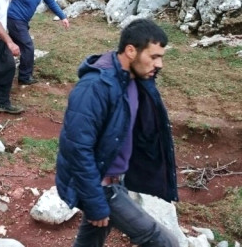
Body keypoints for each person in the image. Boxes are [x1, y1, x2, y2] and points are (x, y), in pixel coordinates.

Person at [55, 19, 179, 247]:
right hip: (101, 185)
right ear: (131, 51)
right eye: (153, 57)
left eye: (161, 57)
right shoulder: (95, 87)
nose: (159, 64)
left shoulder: (133, 79)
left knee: (91, 240)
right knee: (164, 242)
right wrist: (94, 202)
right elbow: (76, 148)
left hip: (115, 179)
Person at [7, 0, 70, 85]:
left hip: (24, 22)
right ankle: (25, 77)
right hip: (14, 20)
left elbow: (50, 2)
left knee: (9, 46)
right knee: (28, 46)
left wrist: (63, 17)